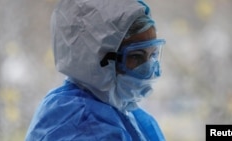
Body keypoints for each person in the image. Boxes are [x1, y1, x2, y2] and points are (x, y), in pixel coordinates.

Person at [25, 0, 166, 140]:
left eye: (153, 54)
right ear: (96, 59)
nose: (148, 68)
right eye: (136, 56)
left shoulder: (125, 113)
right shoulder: (81, 124)